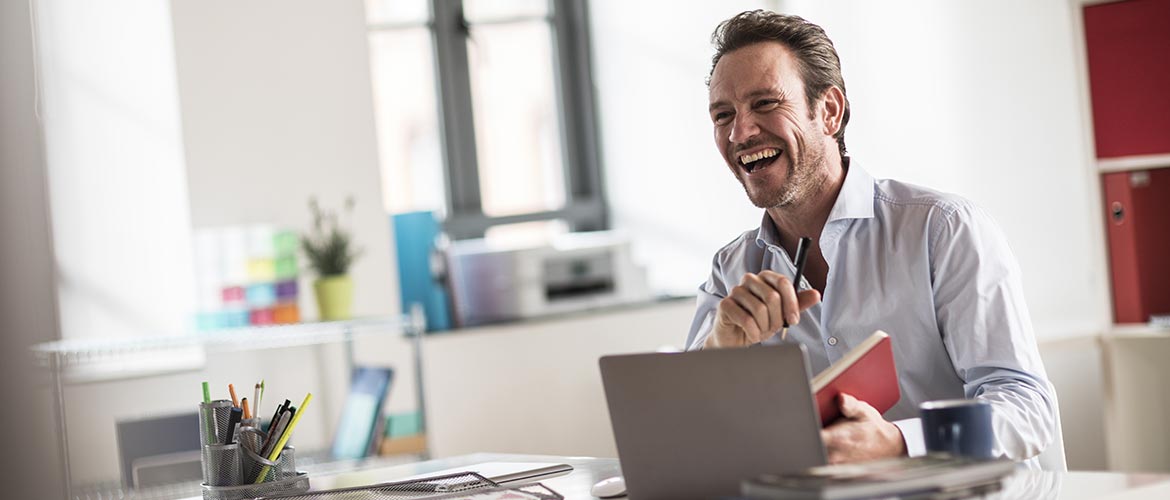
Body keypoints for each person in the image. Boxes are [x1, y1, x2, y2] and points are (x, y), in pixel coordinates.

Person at [685, 10, 1063, 470]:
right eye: (723, 115)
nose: (739, 132)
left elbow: (1027, 408)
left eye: (765, 103)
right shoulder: (731, 271)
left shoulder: (942, 230)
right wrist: (719, 349)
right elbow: (690, 440)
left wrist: (901, 441)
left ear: (829, 111)